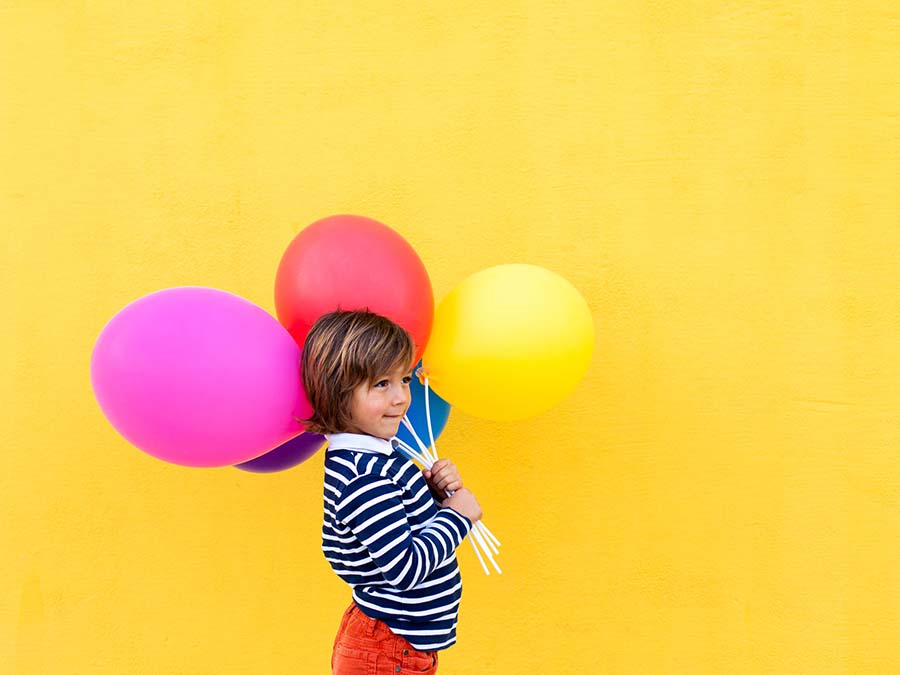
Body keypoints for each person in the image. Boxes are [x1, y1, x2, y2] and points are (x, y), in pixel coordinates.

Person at [300, 309, 483, 675]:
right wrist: (457, 517)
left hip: (396, 641)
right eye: (382, 384)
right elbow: (404, 568)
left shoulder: (377, 453)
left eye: (403, 379)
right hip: (388, 647)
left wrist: (430, 493)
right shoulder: (361, 475)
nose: (401, 397)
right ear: (339, 393)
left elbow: (396, 519)